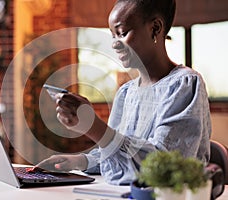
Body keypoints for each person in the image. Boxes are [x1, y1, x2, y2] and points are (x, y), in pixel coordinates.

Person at [36, 0, 211, 185]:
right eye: (112, 35)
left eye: (122, 33)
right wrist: (82, 161)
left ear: (155, 28)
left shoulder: (184, 85)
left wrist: (94, 127)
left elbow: (164, 167)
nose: (114, 44)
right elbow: (116, 150)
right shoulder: (126, 93)